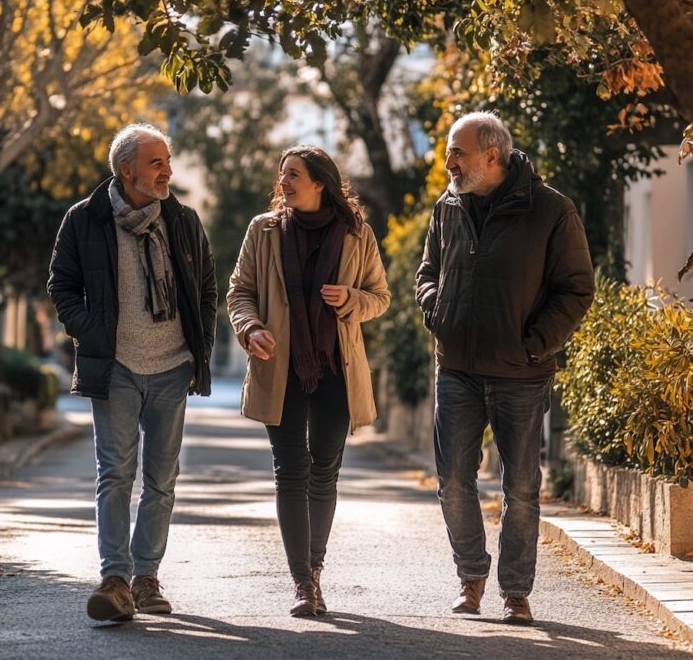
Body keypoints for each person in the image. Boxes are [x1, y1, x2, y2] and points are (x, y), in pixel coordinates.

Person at [415, 112, 594, 624]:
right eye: (449, 152)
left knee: (520, 486)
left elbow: (576, 288)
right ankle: (470, 576)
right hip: (457, 367)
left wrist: (536, 345)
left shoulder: (551, 209)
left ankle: (515, 591)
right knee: (453, 479)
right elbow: (427, 272)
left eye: (458, 152)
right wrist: (436, 312)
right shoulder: (448, 206)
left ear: (492, 155)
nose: (448, 162)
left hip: (522, 373)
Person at [47, 123, 216, 622]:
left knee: (161, 479)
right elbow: (62, 286)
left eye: (168, 161)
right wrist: (92, 334)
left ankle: (146, 578)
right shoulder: (84, 219)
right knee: (116, 474)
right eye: (156, 163)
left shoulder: (182, 220)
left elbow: (207, 288)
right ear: (126, 170)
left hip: (172, 367)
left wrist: (197, 350)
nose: (167, 171)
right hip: (115, 367)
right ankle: (115, 579)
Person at [227, 145, 390, 617]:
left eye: (293, 174)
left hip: (337, 369)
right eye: (282, 174)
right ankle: (302, 581)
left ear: (320, 183)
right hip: (280, 367)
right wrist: (250, 327)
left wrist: (351, 299)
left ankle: (314, 569)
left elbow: (380, 297)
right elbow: (240, 291)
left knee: (325, 469)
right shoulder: (263, 230)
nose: (283, 182)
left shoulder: (357, 233)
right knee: (290, 470)